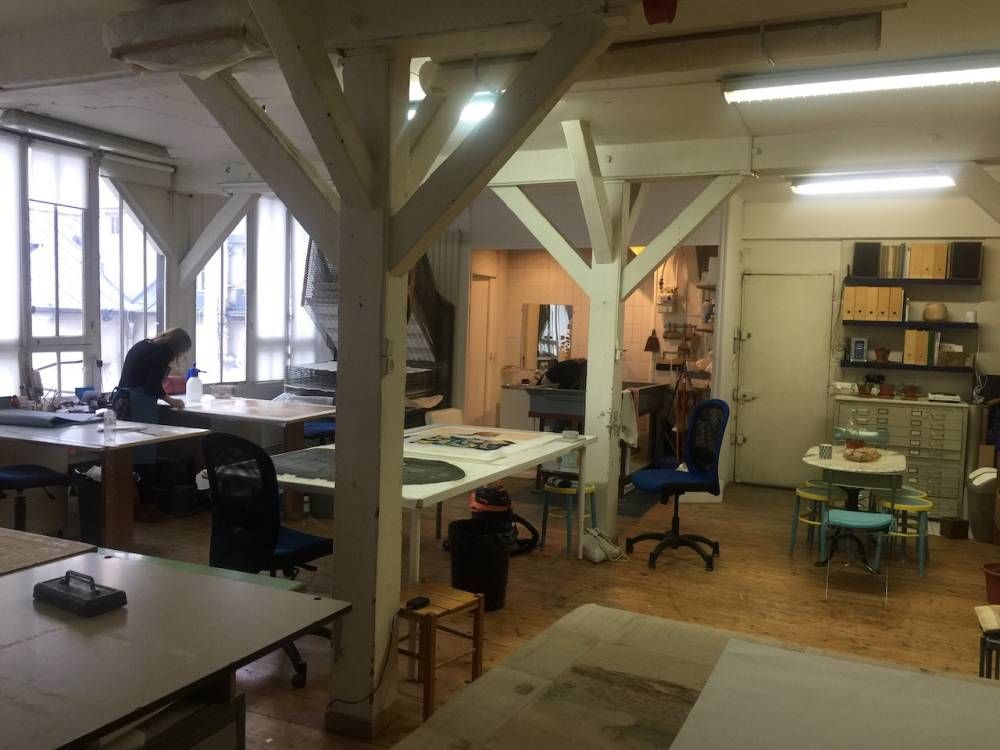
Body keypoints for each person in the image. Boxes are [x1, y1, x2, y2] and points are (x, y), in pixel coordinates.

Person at [115, 327, 191, 520]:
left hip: (123, 400)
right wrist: (173, 401)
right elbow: (151, 386)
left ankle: (129, 504)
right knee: (144, 454)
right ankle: (146, 505)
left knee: (129, 452)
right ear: (178, 347)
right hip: (139, 402)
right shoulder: (162, 352)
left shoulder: (143, 344)